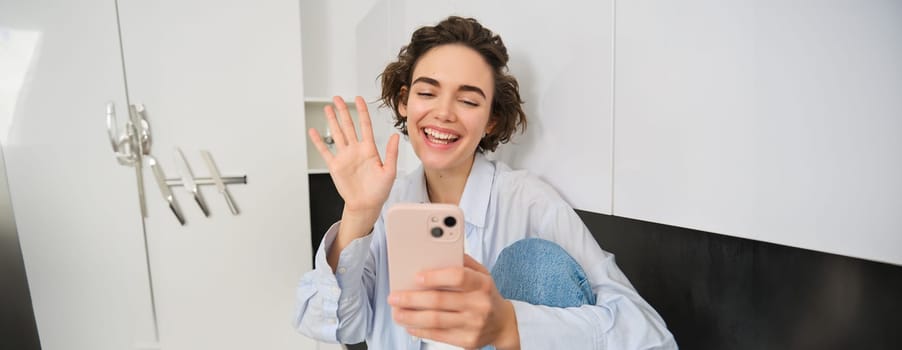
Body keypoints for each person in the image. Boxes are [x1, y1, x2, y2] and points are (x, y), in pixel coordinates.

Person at [294, 16, 677, 349]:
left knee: (533, 263)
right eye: (428, 93)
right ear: (405, 103)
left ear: (492, 120)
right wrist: (358, 215)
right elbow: (334, 326)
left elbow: (651, 338)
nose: (443, 113)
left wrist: (509, 324)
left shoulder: (528, 201)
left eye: (469, 101)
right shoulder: (387, 206)